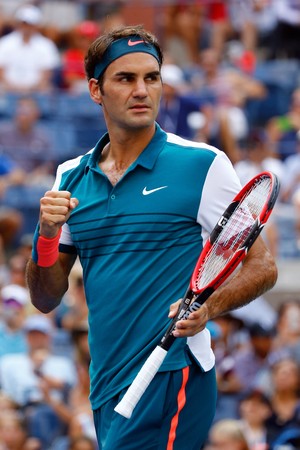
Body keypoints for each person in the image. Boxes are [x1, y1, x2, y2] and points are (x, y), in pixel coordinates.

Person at [25, 25, 277, 450]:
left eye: (152, 77)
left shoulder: (203, 164)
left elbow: (263, 267)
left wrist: (208, 307)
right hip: (107, 386)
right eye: (126, 79)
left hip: (173, 373)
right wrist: (46, 234)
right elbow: (45, 297)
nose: (142, 90)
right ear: (95, 90)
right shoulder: (70, 177)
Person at [0, 4, 61, 94]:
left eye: (30, 24)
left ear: (36, 25)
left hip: (37, 91)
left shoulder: (46, 45)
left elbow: (47, 74)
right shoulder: (5, 43)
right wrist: (13, 88)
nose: (27, 27)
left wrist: (31, 89)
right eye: (24, 23)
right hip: (8, 90)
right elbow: (1, 71)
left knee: (48, 90)